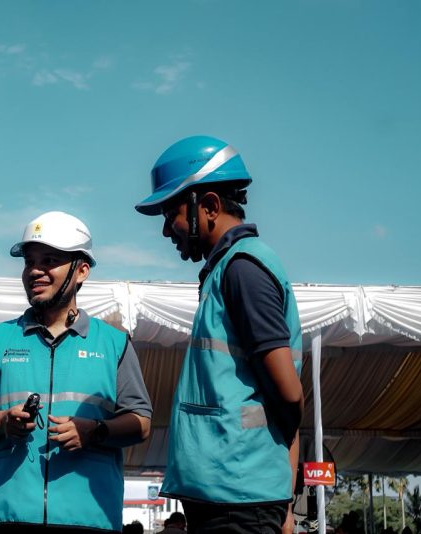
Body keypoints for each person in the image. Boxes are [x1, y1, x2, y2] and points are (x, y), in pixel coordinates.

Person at [135, 136, 304, 533]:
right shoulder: (227, 269)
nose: (165, 231)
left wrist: (283, 500)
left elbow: (289, 394)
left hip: (239, 497)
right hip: (231, 493)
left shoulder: (242, 269)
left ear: (209, 206)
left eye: (169, 213)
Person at [0, 211, 153, 533]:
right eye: (29, 261)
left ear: (82, 271)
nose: (35, 271)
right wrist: (2, 421)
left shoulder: (115, 344)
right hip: (7, 519)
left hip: (89, 519)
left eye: (49, 261)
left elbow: (140, 423)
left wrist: (95, 431)